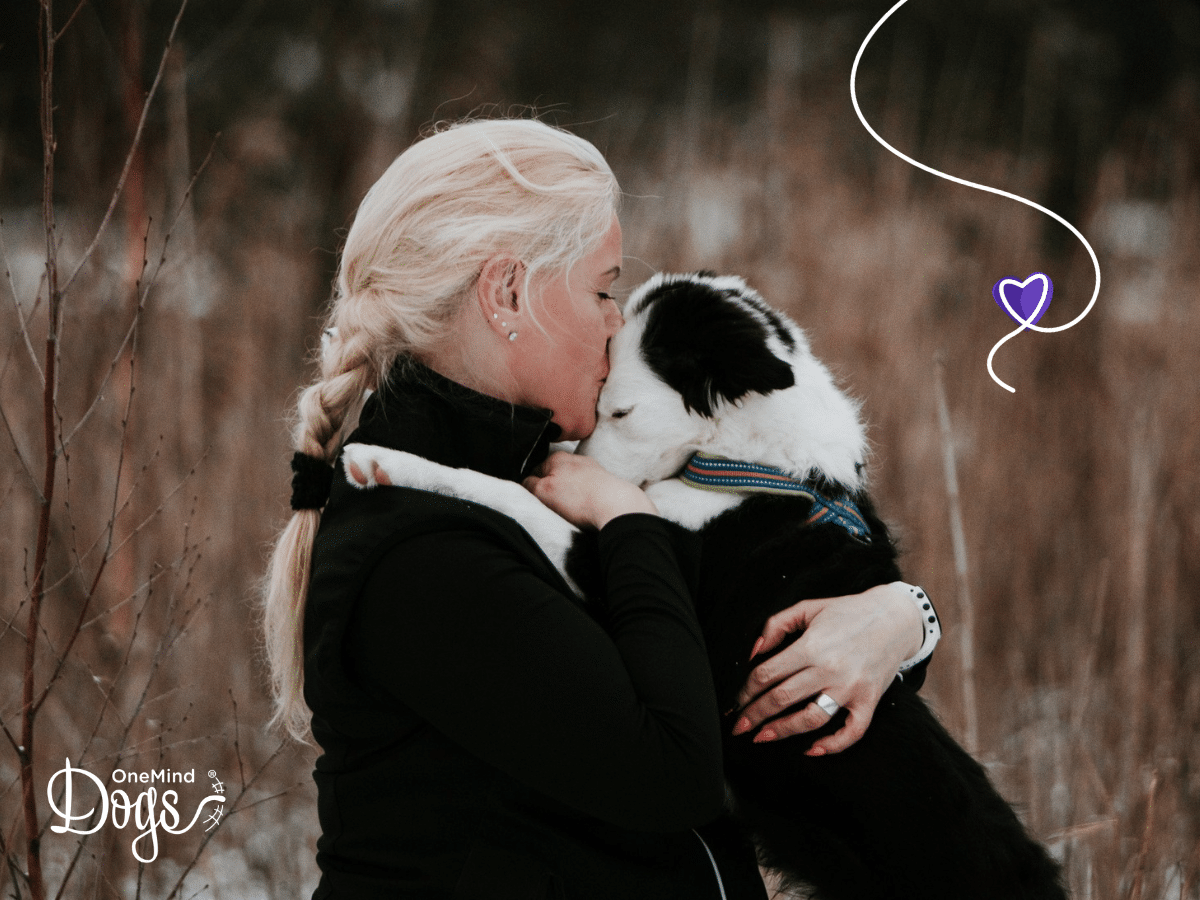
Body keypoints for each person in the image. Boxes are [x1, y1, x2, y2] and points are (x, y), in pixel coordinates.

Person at [262, 118, 931, 900]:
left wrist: (900, 620)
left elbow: (754, 673)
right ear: (507, 291)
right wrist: (631, 526)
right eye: (602, 288)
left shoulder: (542, 478)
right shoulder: (418, 551)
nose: (619, 321)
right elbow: (674, 770)